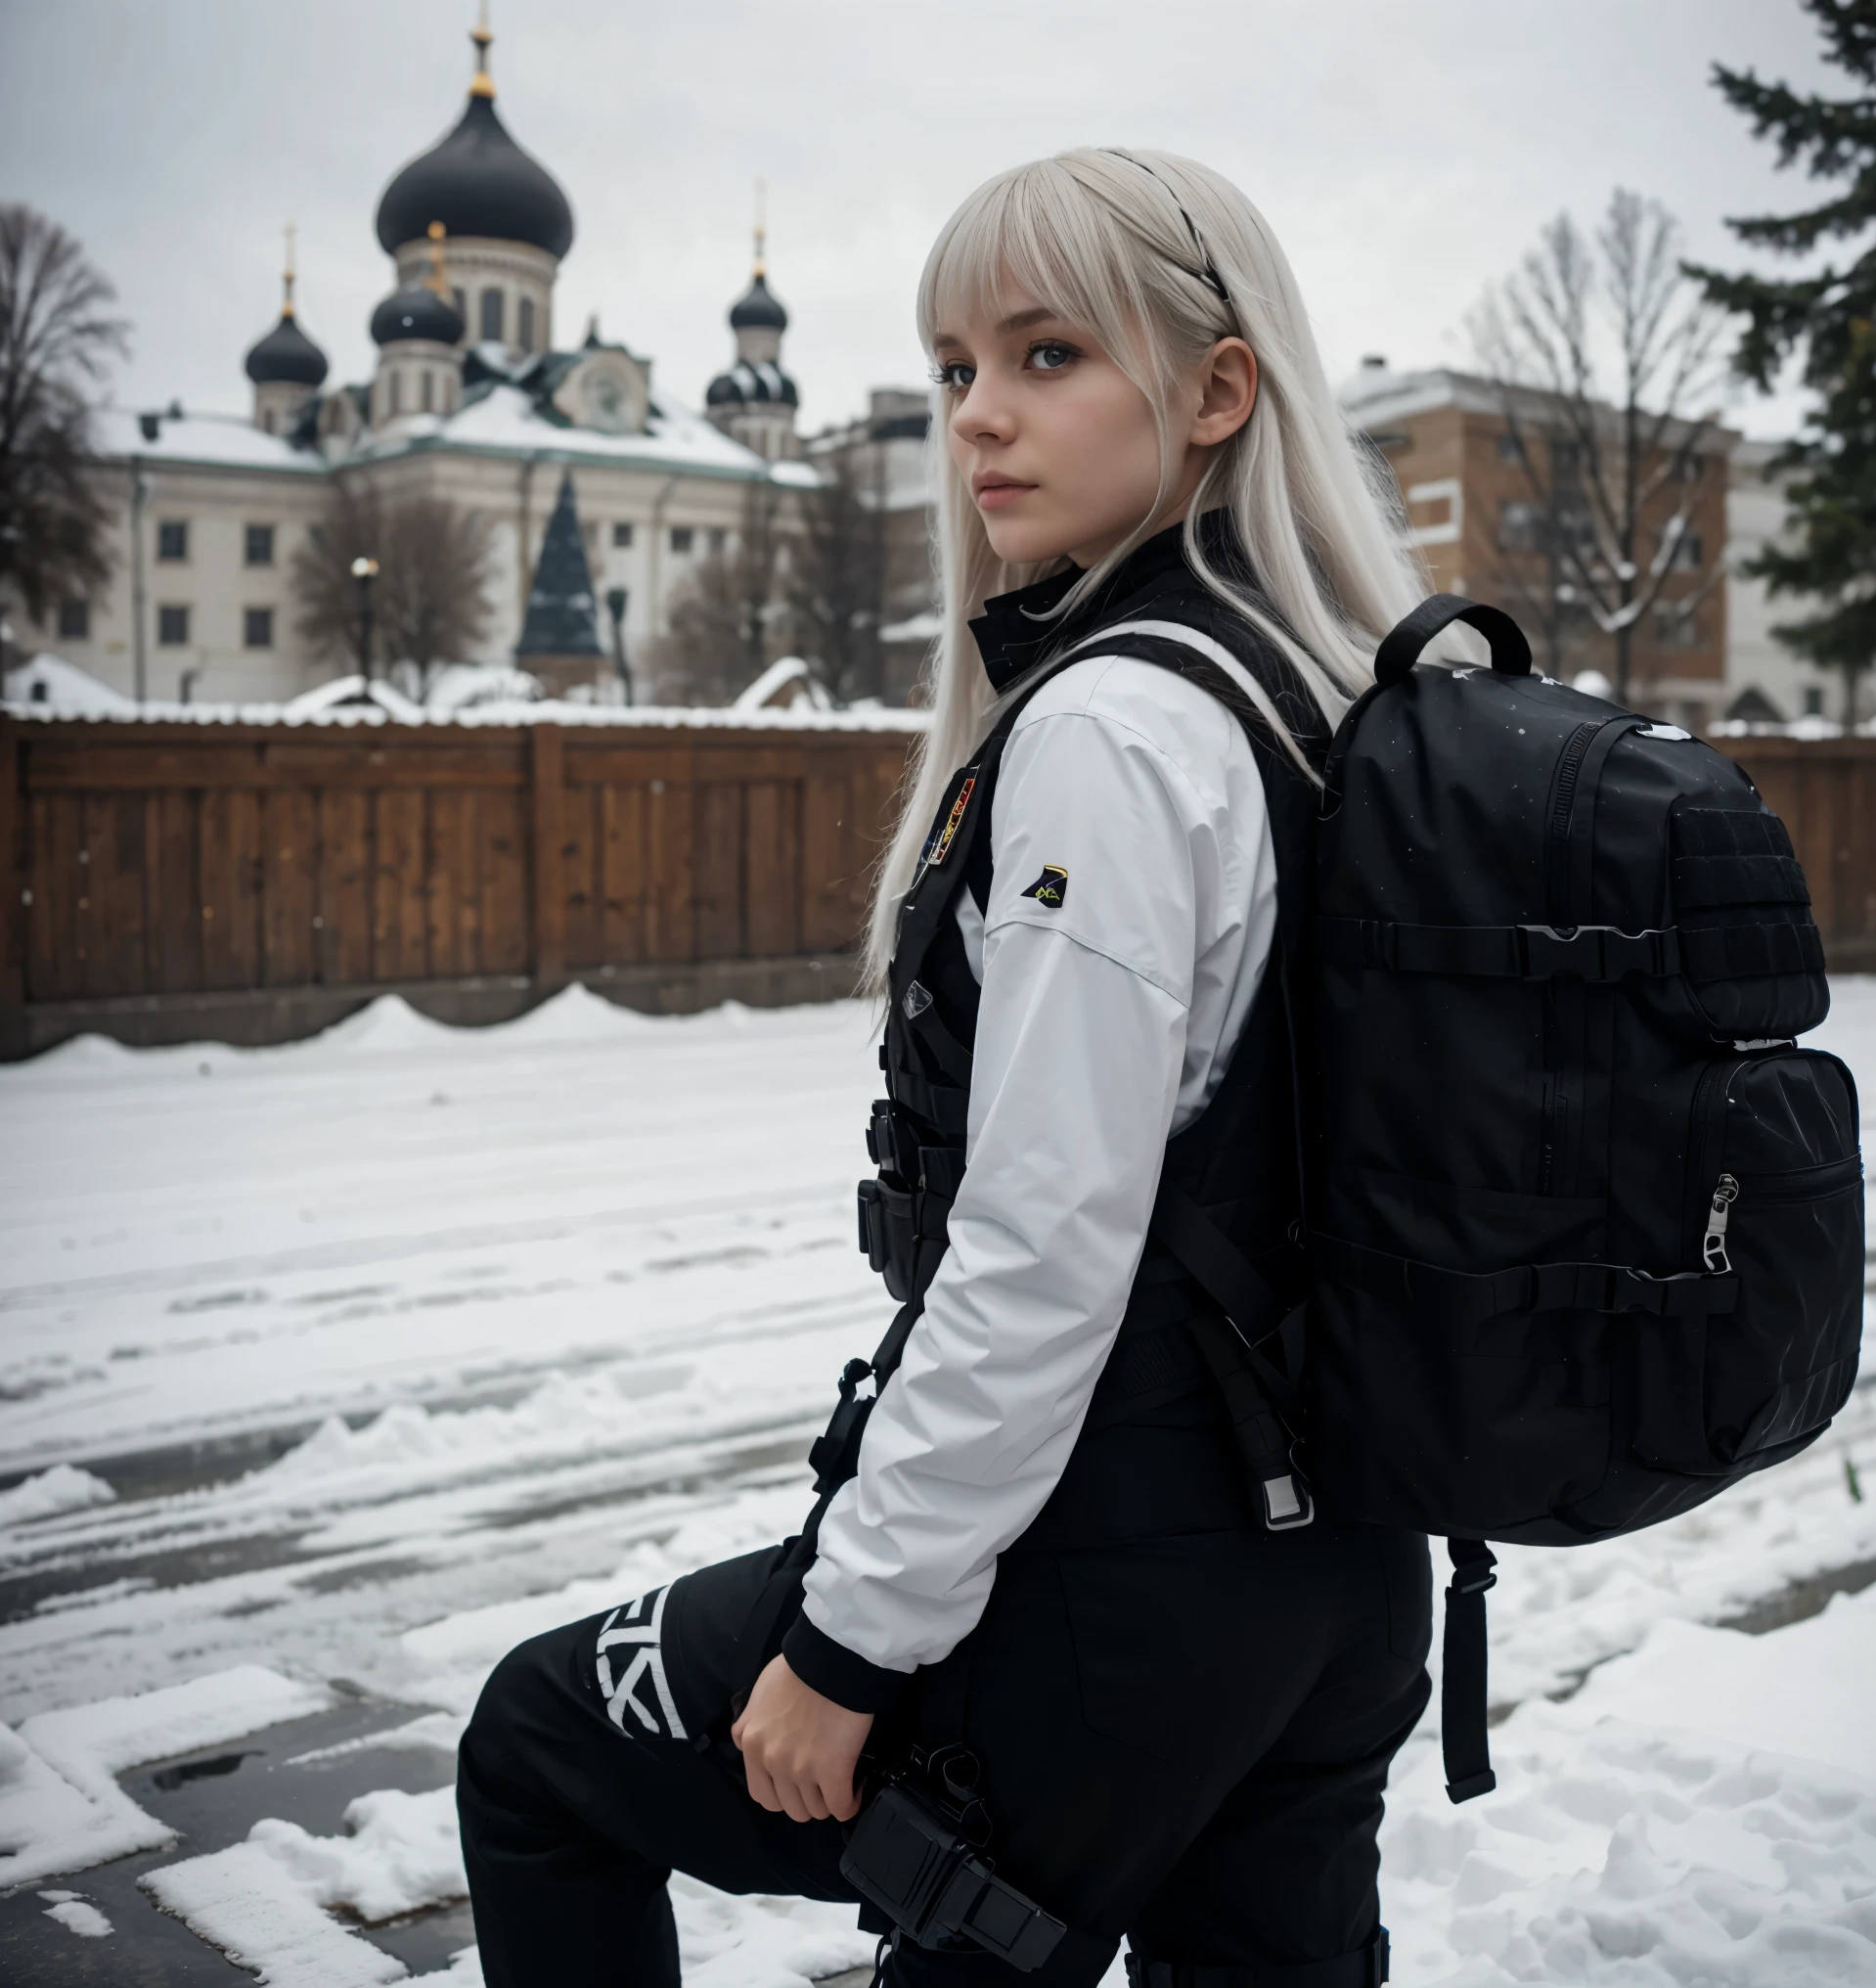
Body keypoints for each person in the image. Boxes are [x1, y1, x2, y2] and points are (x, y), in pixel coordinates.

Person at [458, 147, 1435, 1988]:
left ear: (1219, 388)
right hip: (1338, 1576)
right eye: (952, 368)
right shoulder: (1334, 697)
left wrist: (847, 1644)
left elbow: (1044, 1242)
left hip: (1117, 1576)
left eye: (1049, 354)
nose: (979, 419)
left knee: (534, 1747)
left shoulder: (1119, 727)